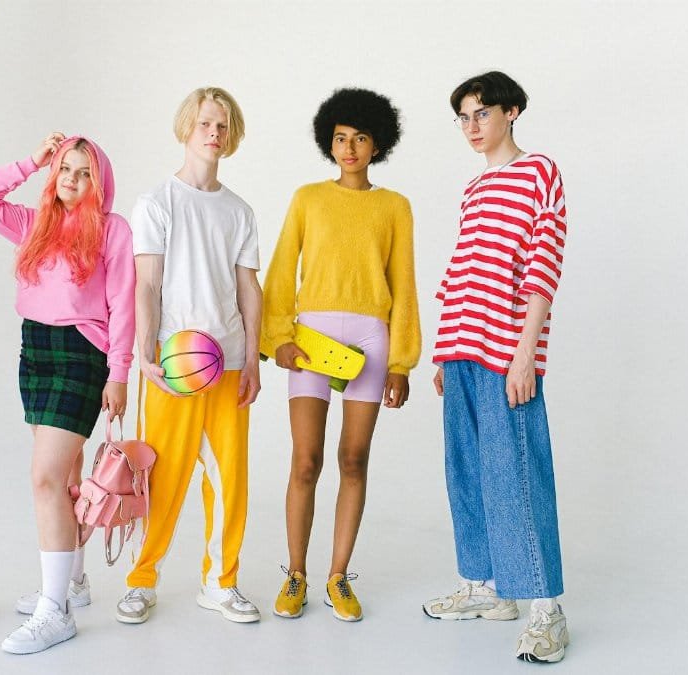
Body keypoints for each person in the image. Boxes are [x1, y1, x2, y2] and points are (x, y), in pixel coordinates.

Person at [0, 133, 135, 654]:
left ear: (98, 181)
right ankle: (74, 583)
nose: (72, 179)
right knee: (64, 475)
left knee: (44, 478)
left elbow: (125, 304)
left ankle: (54, 609)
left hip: (84, 352)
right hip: (35, 349)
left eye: (84, 172)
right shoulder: (33, 224)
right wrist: (31, 159)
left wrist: (119, 373)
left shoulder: (112, 230)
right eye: (65, 168)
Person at [423, 70, 571, 664]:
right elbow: (463, 272)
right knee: (467, 472)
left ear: (511, 112)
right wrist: (443, 349)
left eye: (481, 113)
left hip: (507, 351)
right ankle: (486, 589)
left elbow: (543, 265)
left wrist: (525, 354)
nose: (472, 127)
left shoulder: (540, 173)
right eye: (463, 117)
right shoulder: (474, 189)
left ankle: (545, 610)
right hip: (461, 348)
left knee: (516, 476)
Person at [262, 87, 420, 622]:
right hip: (310, 340)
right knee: (304, 461)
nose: (348, 148)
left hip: (371, 340)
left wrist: (401, 361)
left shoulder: (395, 206)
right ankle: (296, 574)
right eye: (339, 139)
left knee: (353, 460)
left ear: (377, 144)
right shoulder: (308, 197)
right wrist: (277, 334)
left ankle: (337, 576)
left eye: (359, 139)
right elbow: (283, 269)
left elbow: (403, 284)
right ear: (328, 143)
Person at [114, 86, 263, 625]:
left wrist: (251, 360)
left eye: (222, 126)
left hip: (226, 363)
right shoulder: (157, 202)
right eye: (205, 123)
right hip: (173, 366)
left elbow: (249, 289)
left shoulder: (240, 211)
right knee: (159, 476)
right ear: (187, 127)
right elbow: (146, 284)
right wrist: (145, 352)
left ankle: (220, 583)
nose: (214, 134)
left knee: (229, 479)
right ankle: (140, 579)